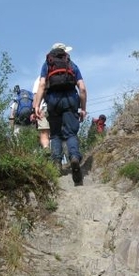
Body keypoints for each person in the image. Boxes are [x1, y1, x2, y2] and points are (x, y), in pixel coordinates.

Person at [33, 42, 87, 185]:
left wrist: (37, 105)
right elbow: (82, 88)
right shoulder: (72, 64)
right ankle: (74, 157)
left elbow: (42, 85)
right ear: (65, 53)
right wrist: (83, 108)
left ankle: (57, 163)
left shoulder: (47, 64)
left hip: (53, 101)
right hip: (70, 99)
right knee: (71, 133)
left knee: (55, 134)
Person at [30, 75, 50, 150]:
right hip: (61, 108)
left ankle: (46, 149)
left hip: (44, 109)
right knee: (58, 134)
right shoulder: (65, 72)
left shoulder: (41, 77)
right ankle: (58, 158)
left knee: (44, 134)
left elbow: (36, 95)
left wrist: (33, 111)